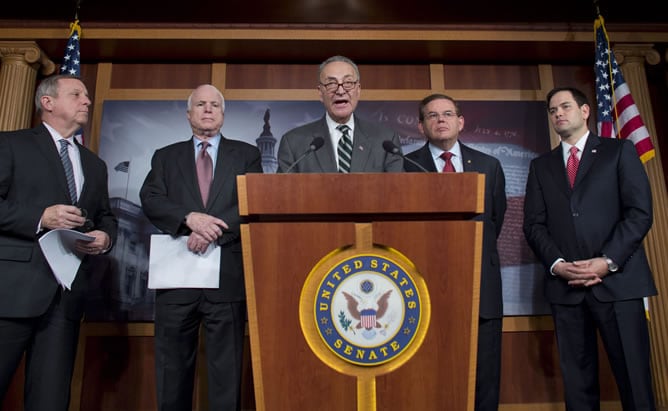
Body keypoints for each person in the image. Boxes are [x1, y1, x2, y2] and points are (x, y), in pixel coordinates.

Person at [523, 86, 657, 410]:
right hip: (566, 288)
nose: (558, 114)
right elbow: (534, 225)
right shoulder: (541, 166)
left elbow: (639, 213)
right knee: (578, 389)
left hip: (618, 283)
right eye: (553, 110)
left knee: (635, 383)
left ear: (585, 112)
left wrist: (607, 261)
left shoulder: (619, 151)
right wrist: (557, 264)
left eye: (565, 106)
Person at [140, 84, 262, 411]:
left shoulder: (247, 154)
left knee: (226, 374)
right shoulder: (165, 156)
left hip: (227, 281)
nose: (208, 110)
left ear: (223, 114)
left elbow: (252, 202)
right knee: (172, 371)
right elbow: (151, 199)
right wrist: (188, 218)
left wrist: (210, 230)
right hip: (176, 282)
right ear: (188, 113)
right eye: (200, 105)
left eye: (214, 105)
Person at [0, 74, 118, 410]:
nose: (87, 101)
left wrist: (105, 237)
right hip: (10, 293)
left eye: (87, 95)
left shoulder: (95, 165)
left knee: (50, 399)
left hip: (65, 298)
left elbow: (105, 216)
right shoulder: (10, 144)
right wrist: (41, 217)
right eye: (76, 94)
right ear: (47, 102)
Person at [404, 93, 507, 411]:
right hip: (427, 286)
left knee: (484, 376)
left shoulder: (489, 165)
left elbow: (495, 220)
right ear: (421, 126)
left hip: (482, 287)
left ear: (461, 121)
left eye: (448, 113)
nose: (441, 120)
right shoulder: (405, 167)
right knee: (431, 375)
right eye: (432, 116)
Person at [277, 55, 403, 173]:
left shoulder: (385, 140)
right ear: (320, 93)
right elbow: (284, 192)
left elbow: (399, 189)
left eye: (348, 83)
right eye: (331, 84)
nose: (341, 90)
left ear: (358, 90)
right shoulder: (294, 142)